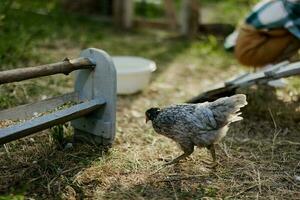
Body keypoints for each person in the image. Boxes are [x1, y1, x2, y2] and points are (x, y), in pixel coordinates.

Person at [226, 0, 300, 68]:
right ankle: (270, 66)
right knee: (294, 36)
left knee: (291, 32)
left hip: (246, 43)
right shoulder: (292, 6)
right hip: (249, 51)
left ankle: (272, 65)